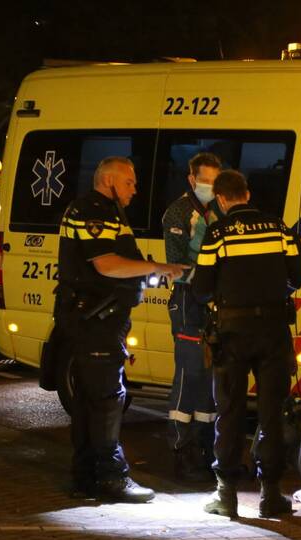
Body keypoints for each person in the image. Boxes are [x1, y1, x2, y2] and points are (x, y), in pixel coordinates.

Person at [55, 156, 186, 502]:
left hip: (93, 317)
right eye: (129, 182)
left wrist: (147, 274)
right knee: (108, 400)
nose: (135, 189)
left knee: (88, 400)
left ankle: (85, 476)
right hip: (97, 320)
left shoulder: (102, 209)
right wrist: (158, 266)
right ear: (109, 179)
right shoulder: (96, 211)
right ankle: (112, 478)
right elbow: (108, 264)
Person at [191, 170, 301, 518]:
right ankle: (271, 495)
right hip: (273, 331)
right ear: (247, 194)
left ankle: (226, 495)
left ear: (222, 200)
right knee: (272, 413)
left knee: (230, 410)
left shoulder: (217, 233)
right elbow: (297, 276)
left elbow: (201, 288)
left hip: (232, 333)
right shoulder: (278, 227)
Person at [161, 152, 222, 483]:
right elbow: (178, 268)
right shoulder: (179, 212)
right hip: (187, 302)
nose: (210, 187)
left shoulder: (219, 212)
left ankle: (205, 448)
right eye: (205, 181)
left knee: (209, 381)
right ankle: (180, 451)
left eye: (215, 182)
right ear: (191, 180)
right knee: (188, 377)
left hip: (212, 303)